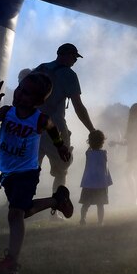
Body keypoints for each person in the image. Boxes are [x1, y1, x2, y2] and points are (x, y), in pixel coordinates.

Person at [0, 73, 74, 274]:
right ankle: (57, 200)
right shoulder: (6, 112)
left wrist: (61, 147)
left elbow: (53, 130)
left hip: (28, 172)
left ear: (39, 101)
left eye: (27, 93)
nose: (20, 94)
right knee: (22, 211)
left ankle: (11, 263)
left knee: (15, 215)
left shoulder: (40, 119)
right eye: (20, 89)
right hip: (8, 173)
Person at [34, 43, 96, 195]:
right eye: (74, 57)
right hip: (55, 127)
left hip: (33, 125)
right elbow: (78, 107)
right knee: (62, 169)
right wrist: (92, 130)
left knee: (31, 168)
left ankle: (18, 204)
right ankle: (56, 210)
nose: (75, 61)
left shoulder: (40, 68)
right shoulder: (69, 74)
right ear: (67, 55)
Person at [111, 102, 137, 205]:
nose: (132, 115)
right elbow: (127, 142)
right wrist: (116, 142)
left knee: (129, 173)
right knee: (135, 175)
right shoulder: (131, 127)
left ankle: (136, 199)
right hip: (132, 154)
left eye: (134, 112)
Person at [79, 129, 112, 226]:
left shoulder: (88, 153)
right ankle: (100, 222)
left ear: (89, 142)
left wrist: (91, 144)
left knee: (85, 203)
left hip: (89, 183)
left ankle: (82, 219)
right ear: (102, 142)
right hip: (101, 183)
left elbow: (89, 150)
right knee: (100, 204)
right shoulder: (104, 153)